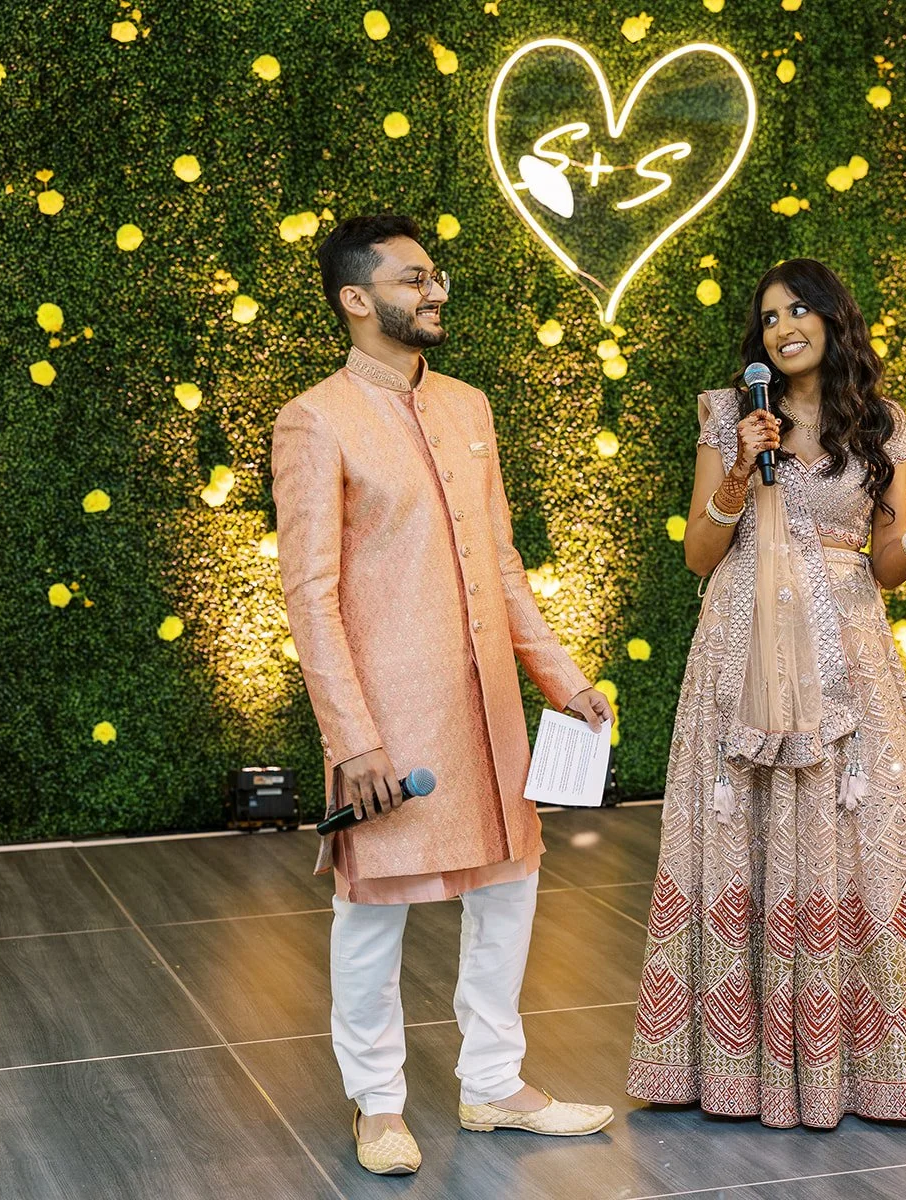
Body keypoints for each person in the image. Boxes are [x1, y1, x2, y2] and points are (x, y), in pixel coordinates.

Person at [626, 258, 906, 1128]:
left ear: (835, 321)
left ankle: (877, 1058)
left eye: (799, 309)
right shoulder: (729, 415)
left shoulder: (882, 424)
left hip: (845, 652)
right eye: (768, 317)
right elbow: (697, 552)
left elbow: (885, 565)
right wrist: (736, 474)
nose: (782, 326)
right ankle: (732, 1061)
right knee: (741, 830)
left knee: (861, 830)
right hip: (742, 649)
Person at [270, 214, 616, 1176]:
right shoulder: (317, 420)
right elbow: (312, 598)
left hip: (489, 705)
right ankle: (378, 1104)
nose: (433, 294)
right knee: (373, 909)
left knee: (510, 888)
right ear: (355, 298)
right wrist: (356, 740)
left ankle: (494, 1083)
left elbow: (500, 565)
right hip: (392, 723)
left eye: (436, 279)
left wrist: (564, 678)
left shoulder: (469, 408)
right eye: (413, 280)